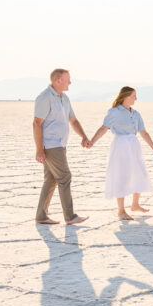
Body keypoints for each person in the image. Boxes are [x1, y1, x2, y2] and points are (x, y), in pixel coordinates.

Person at [88, 86, 153, 220]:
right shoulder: (114, 112)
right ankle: (121, 211)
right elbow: (104, 128)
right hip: (121, 146)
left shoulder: (136, 114)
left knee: (139, 173)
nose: (136, 98)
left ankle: (135, 205)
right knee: (121, 176)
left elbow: (144, 133)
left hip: (134, 145)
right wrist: (92, 141)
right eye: (133, 96)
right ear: (125, 96)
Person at [33, 68, 90, 225]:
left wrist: (84, 136)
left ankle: (41, 216)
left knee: (51, 179)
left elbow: (73, 120)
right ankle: (70, 217)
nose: (70, 82)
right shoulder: (45, 97)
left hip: (61, 144)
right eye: (67, 79)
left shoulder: (64, 98)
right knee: (65, 177)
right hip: (51, 145)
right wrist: (39, 149)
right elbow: (36, 123)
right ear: (58, 80)